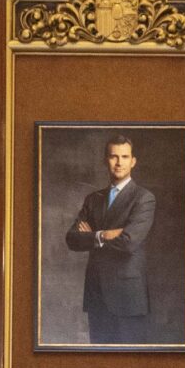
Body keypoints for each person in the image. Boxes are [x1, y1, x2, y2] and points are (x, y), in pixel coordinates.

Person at [66, 133, 159, 345]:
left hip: (128, 298)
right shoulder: (93, 199)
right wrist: (103, 234)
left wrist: (91, 236)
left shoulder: (144, 198)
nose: (119, 162)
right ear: (105, 160)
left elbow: (128, 243)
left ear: (133, 161)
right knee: (99, 365)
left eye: (124, 157)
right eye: (113, 156)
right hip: (96, 294)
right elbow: (72, 239)